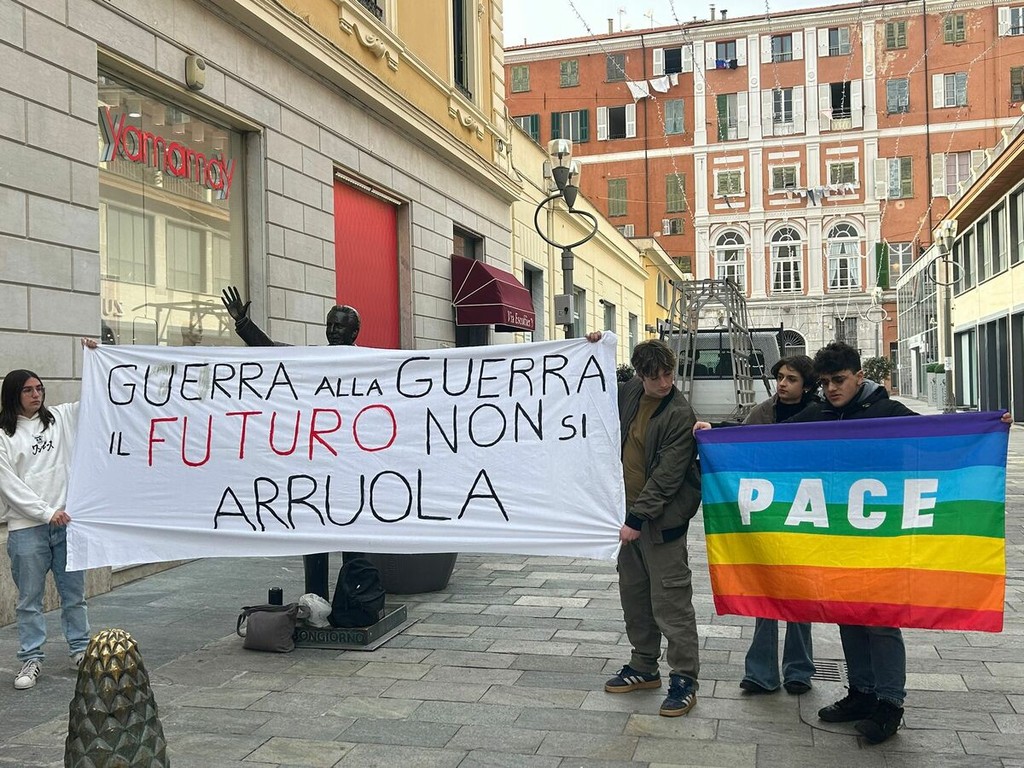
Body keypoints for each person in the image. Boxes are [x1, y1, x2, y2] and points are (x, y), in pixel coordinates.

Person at [587, 333, 702, 717]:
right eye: (655, 377)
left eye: (669, 374)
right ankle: (643, 665)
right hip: (624, 519)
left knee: (671, 603)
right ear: (640, 375)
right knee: (634, 598)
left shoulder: (679, 414)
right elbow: (592, 387)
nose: (664, 382)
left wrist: (637, 519)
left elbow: (668, 476)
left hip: (659, 526)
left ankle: (684, 678)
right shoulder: (631, 392)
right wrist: (593, 346)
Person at [220, 286, 363, 596]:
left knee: (355, 541)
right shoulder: (311, 359)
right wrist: (243, 324)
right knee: (314, 536)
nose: (332, 331)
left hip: (352, 468)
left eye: (339, 326)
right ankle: (315, 600)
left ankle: (355, 602)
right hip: (315, 466)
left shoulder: (369, 363)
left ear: (354, 332)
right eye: (329, 324)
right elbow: (272, 351)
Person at [695, 355, 820, 696]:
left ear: (806, 385)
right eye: (780, 377)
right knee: (767, 589)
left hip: (807, 513)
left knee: (800, 593)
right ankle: (761, 672)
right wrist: (712, 431)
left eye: (791, 379)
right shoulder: (764, 412)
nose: (783, 384)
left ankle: (799, 670)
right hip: (769, 513)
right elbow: (741, 438)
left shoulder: (820, 415)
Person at [0, 340, 97, 690]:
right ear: (14, 395)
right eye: (28, 390)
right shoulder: (4, 436)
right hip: (27, 528)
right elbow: (8, 484)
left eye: (39, 388)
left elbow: (96, 398)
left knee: (75, 595)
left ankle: (80, 650)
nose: (36, 395)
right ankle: (31, 658)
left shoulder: (60, 418)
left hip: (67, 525)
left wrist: (95, 357)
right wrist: (46, 512)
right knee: (29, 600)